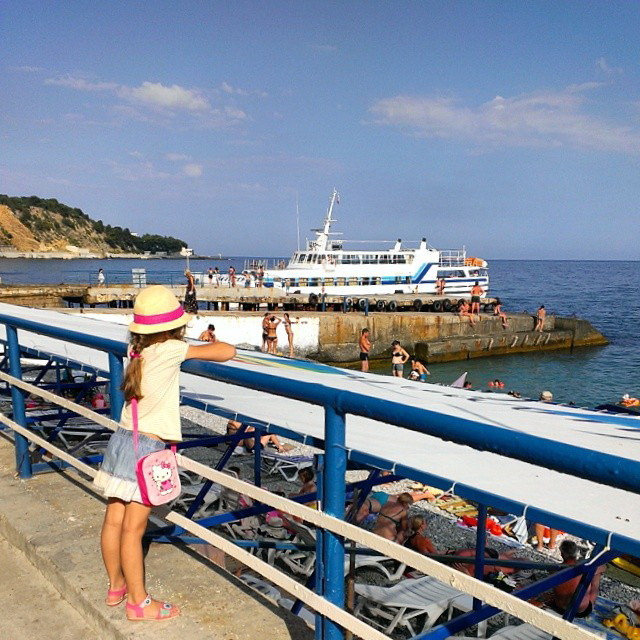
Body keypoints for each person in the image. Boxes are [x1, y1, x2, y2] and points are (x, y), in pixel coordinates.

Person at [94, 285, 235, 621]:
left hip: (121, 439)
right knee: (134, 529)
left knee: (113, 519)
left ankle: (116, 587)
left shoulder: (135, 349)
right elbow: (226, 351)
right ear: (173, 326)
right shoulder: (172, 349)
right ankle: (138, 603)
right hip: (147, 448)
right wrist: (197, 343)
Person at [547, 540, 605, 618]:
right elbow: (603, 567)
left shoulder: (554, 570)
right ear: (576, 553)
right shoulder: (585, 567)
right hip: (581, 611)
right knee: (595, 579)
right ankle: (592, 602)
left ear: (562, 554)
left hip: (559, 607)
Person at [226, 419, 292, 453]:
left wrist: (279, 446)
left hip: (252, 445)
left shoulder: (253, 428)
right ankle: (279, 446)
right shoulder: (255, 428)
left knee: (267, 433)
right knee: (248, 433)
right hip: (249, 443)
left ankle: (279, 446)